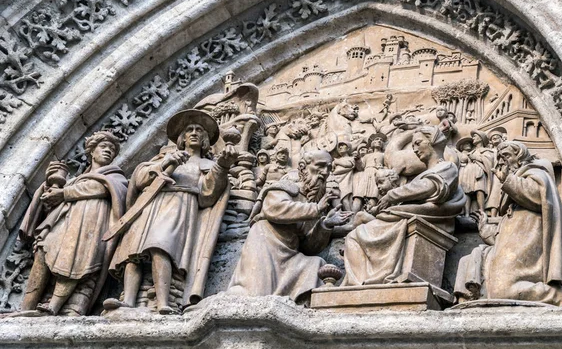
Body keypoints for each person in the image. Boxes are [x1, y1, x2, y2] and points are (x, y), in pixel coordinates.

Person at [105, 109, 237, 314]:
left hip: (179, 205)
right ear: (181, 138)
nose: (194, 133)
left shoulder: (207, 165)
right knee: (132, 253)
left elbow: (207, 194)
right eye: (189, 130)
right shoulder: (163, 158)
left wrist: (222, 166)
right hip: (150, 204)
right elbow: (139, 179)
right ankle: (129, 301)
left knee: (160, 247)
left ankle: (163, 302)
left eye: (199, 131)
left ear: (204, 140)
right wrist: (167, 162)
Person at [454, 141, 562, 307]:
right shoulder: (514, 204)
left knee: (501, 290)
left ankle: (561, 296)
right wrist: (485, 228)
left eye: (507, 156)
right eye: (501, 157)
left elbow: (537, 195)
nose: (503, 161)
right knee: (467, 262)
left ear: (520, 156)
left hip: (531, 254)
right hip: (514, 253)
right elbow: (505, 241)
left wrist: (507, 180)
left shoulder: (537, 173)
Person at [19, 131, 128, 316]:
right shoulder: (75, 181)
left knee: (78, 261)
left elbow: (103, 188)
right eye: (103, 147)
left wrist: (63, 193)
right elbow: (51, 205)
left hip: (92, 223)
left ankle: (58, 307)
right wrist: (49, 188)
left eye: (112, 149)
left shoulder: (115, 176)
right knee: (43, 250)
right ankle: (27, 308)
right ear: (91, 152)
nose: (108, 151)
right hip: (65, 222)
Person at [342, 126, 465, 286]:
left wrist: (391, 196)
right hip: (406, 218)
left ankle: (365, 282)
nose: (414, 149)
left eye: (418, 143)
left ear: (432, 142)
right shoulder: (424, 174)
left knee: (355, 236)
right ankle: (362, 284)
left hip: (420, 221)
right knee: (355, 234)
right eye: (413, 145)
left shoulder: (447, 167)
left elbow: (429, 187)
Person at [227, 150, 352, 301]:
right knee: (255, 294)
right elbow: (273, 208)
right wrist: (316, 209)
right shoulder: (288, 187)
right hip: (267, 244)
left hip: (291, 254)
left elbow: (308, 248)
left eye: (328, 168)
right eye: (319, 166)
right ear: (302, 167)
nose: (324, 172)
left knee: (316, 264)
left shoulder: (315, 201)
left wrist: (325, 225)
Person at [459, 130, 494, 218]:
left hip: (479, 172)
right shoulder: (472, 151)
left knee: (480, 190)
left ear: (481, 138)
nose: (473, 138)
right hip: (468, 172)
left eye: (475, 136)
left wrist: (476, 158)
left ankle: (482, 211)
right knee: (467, 191)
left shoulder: (486, 151)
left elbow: (489, 161)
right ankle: (467, 213)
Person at [352, 133, 386, 212]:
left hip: (376, 175)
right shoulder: (367, 156)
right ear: (372, 143)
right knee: (358, 196)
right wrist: (357, 159)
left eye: (381, 140)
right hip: (365, 175)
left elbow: (389, 166)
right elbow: (361, 167)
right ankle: (352, 217)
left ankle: (370, 214)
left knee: (373, 196)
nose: (379, 141)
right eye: (377, 139)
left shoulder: (384, 155)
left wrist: (382, 168)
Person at [331, 140, 355, 212]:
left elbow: (349, 165)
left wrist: (337, 162)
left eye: (343, 145)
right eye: (339, 146)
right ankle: (340, 215)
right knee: (336, 199)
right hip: (336, 180)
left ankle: (351, 217)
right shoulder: (335, 160)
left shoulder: (351, 158)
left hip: (346, 180)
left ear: (348, 149)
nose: (340, 147)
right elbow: (333, 170)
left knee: (345, 199)